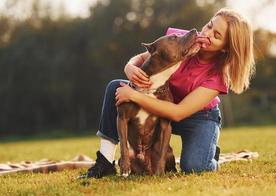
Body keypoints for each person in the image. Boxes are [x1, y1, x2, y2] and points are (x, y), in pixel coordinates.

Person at [80, 8, 255, 178]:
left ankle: (210, 155)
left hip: (198, 118)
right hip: (160, 103)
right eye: (209, 25)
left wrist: (134, 95)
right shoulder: (181, 39)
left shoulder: (218, 76)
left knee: (195, 166)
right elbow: (144, 57)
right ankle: (104, 162)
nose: (207, 34)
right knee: (115, 88)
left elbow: (178, 113)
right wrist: (130, 67)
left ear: (225, 48)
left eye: (216, 36)